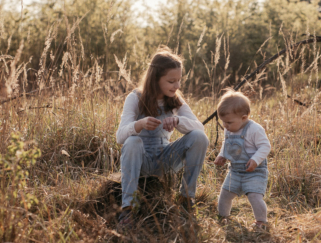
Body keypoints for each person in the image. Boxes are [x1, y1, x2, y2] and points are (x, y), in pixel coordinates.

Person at [115, 46, 209, 226]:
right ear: (155, 79)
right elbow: (120, 137)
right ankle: (128, 209)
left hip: (165, 160)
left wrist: (178, 121)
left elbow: (199, 129)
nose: (177, 86)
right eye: (171, 81)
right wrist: (139, 125)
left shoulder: (175, 100)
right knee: (133, 140)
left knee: (199, 137)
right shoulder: (135, 98)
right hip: (139, 161)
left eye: (179, 80)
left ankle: (186, 198)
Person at [214, 90, 271, 231]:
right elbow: (227, 144)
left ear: (244, 118)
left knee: (254, 196)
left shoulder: (254, 129)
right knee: (225, 194)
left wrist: (255, 160)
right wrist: (222, 155)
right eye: (223, 122)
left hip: (254, 171)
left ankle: (261, 222)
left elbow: (265, 146)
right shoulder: (229, 129)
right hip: (235, 170)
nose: (225, 126)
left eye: (228, 122)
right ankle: (223, 217)